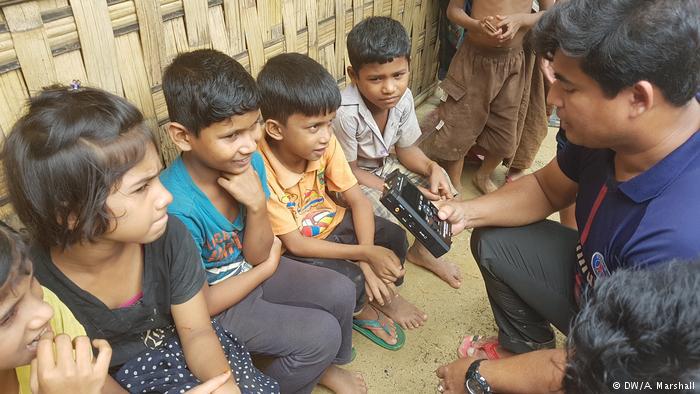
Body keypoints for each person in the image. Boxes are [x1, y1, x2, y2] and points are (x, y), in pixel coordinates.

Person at [434, 0, 700, 391]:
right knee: (495, 237)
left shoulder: (677, 243)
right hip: (590, 287)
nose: (553, 98)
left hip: (627, 362)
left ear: (638, 99)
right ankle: (524, 347)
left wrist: (477, 375)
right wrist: (463, 212)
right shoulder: (611, 133)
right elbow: (546, 187)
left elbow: (602, 369)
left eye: (568, 87)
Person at [3, 85, 277, 394]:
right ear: (72, 213)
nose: (165, 196)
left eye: (157, 178)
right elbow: (91, 380)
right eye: (141, 188)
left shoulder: (168, 234)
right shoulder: (34, 284)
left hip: (187, 355)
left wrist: (223, 386)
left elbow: (197, 332)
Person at [159, 49, 365, 394]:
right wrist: (265, 270)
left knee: (342, 290)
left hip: (253, 270)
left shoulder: (249, 164)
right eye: (230, 136)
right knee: (320, 333)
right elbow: (201, 306)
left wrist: (256, 207)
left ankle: (321, 367)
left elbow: (256, 253)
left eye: (253, 125)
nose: (249, 144)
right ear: (182, 136)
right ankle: (276, 383)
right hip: (215, 310)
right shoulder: (175, 208)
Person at [256, 52, 427, 349]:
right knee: (350, 282)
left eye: (329, 123)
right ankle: (363, 310)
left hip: (333, 221)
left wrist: (366, 255)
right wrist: (364, 259)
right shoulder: (260, 168)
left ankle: (383, 292)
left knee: (395, 238)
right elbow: (295, 244)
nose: (325, 136)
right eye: (313, 127)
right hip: (298, 248)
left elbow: (358, 200)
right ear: (275, 129)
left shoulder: (324, 142)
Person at [333, 16, 463, 290]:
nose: (389, 87)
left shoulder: (402, 99)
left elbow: (405, 150)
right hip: (351, 178)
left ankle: (422, 251)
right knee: (397, 209)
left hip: (383, 167)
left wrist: (432, 168)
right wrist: (398, 191)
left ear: (408, 67)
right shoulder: (345, 113)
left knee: (444, 191)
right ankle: (389, 253)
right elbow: (349, 171)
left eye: (398, 75)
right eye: (376, 79)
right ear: (353, 75)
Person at [419, 0, 553, 194]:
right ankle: (455, 183)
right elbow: (453, 11)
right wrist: (477, 25)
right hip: (473, 60)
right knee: (459, 125)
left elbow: (549, 13)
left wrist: (520, 20)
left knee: (505, 131)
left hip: (513, 65)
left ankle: (483, 175)